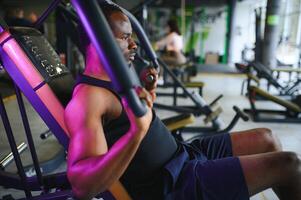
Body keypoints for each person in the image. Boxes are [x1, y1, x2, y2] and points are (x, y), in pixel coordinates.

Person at [64, 4, 301, 200]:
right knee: (290, 165)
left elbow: (130, 121)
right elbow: (83, 186)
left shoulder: (116, 76)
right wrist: (136, 133)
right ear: (99, 41)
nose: (134, 44)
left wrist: (147, 99)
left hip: (183, 154)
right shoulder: (89, 98)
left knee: (267, 138)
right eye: (125, 37)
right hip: (174, 184)